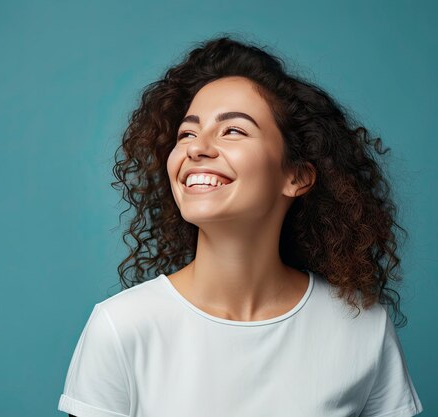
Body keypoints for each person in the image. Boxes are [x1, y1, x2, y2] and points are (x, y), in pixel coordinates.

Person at [57, 34, 424, 417]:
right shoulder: (121, 327)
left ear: (296, 177)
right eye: (187, 133)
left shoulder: (363, 328)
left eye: (233, 130)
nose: (197, 148)